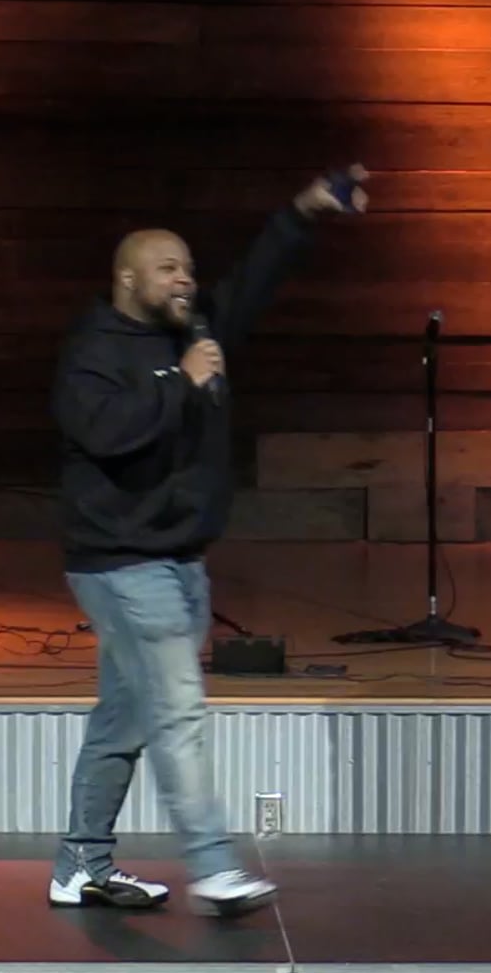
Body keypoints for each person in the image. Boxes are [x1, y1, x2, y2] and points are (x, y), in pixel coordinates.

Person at [45, 165, 367, 917]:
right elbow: (105, 433)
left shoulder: (195, 332)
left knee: (124, 719)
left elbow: (256, 276)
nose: (184, 279)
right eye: (167, 268)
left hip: (182, 562)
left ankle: (79, 865)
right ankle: (215, 865)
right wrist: (179, 384)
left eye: (188, 267)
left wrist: (304, 209)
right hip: (121, 565)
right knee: (178, 711)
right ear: (129, 278)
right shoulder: (93, 351)